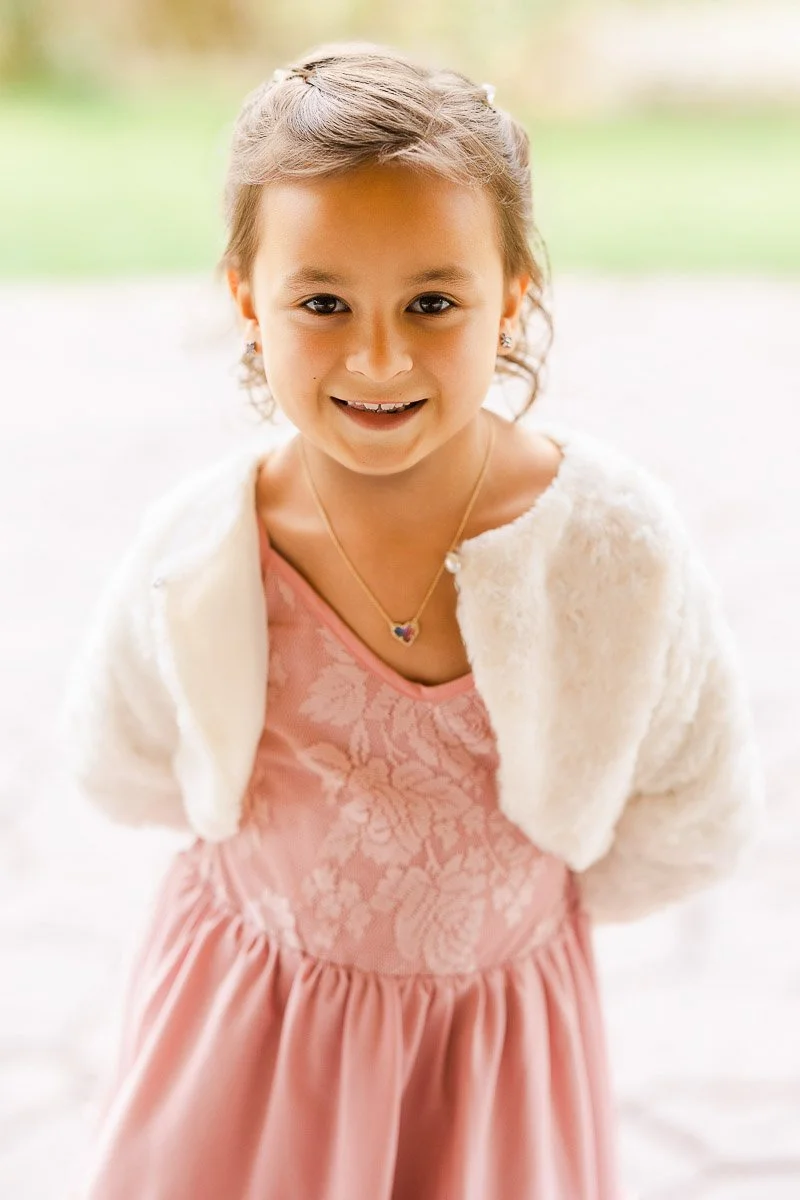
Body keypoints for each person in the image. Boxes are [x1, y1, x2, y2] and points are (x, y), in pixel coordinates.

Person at [59, 41, 764, 1200]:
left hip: (485, 1050)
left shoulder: (612, 547)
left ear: (509, 299)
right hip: (250, 1031)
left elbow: (688, 796)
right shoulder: (202, 549)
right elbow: (125, 756)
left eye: (431, 302)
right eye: (322, 302)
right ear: (248, 300)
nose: (376, 355)